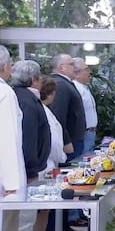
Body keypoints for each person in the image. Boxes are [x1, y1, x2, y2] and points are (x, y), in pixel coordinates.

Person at [11, 60, 51, 231]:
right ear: (34, 79)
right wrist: (31, 170)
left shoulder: (23, 97)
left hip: (29, 167)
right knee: (25, 219)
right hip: (28, 171)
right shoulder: (26, 101)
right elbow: (28, 137)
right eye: (40, 77)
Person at [33, 76, 67, 231]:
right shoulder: (43, 112)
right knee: (42, 210)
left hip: (47, 163)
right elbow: (52, 142)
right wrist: (62, 156)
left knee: (44, 211)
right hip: (47, 165)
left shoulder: (43, 110)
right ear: (51, 93)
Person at [0, 45, 27, 231]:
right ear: (4, 66)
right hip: (5, 179)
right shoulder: (5, 93)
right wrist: (12, 182)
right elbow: (8, 136)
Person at [48, 54, 86, 161]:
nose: (74, 67)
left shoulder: (65, 83)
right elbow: (58, 116)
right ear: (61, 67)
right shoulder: (60, 85)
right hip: (71, 141)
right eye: (71, 64)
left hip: (75, 139)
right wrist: (66, 141)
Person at [73, 57, 98, 154]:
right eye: (86, 69)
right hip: (84, 133)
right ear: (76, 74)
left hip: (90, 132)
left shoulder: (84, 88)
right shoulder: (76, 89)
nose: (89, 72)